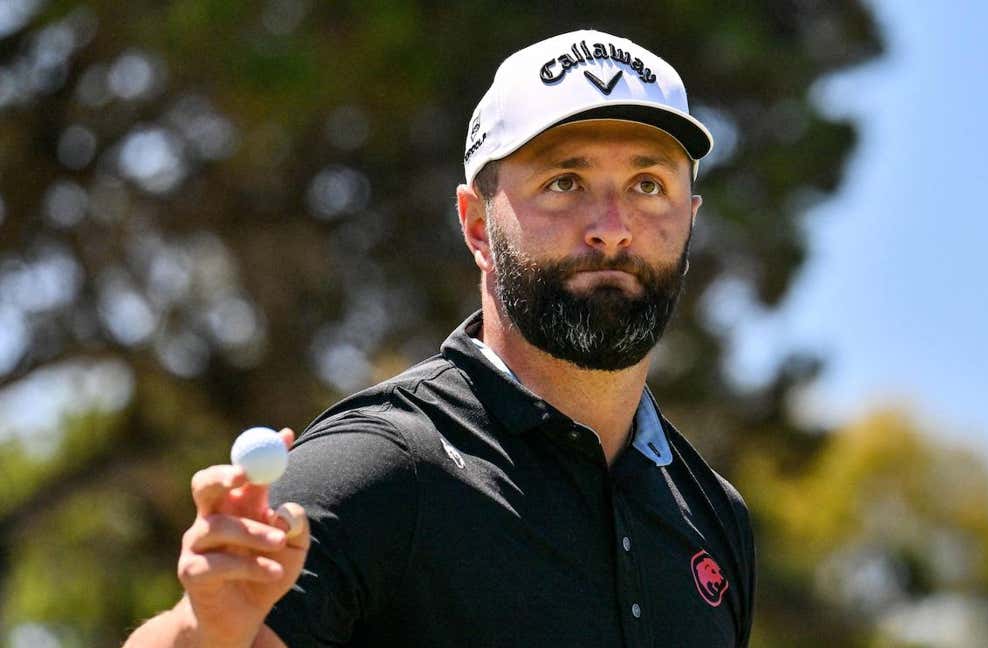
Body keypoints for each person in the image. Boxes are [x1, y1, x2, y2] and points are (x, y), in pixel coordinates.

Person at [125, 29, 755, 647]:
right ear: (478, 226)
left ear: (690, 219)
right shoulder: (380, 465)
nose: (613, 229)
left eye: (649, 185)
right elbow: (228, 628)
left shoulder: (715, 517)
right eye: (565, 182)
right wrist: (198, 632)